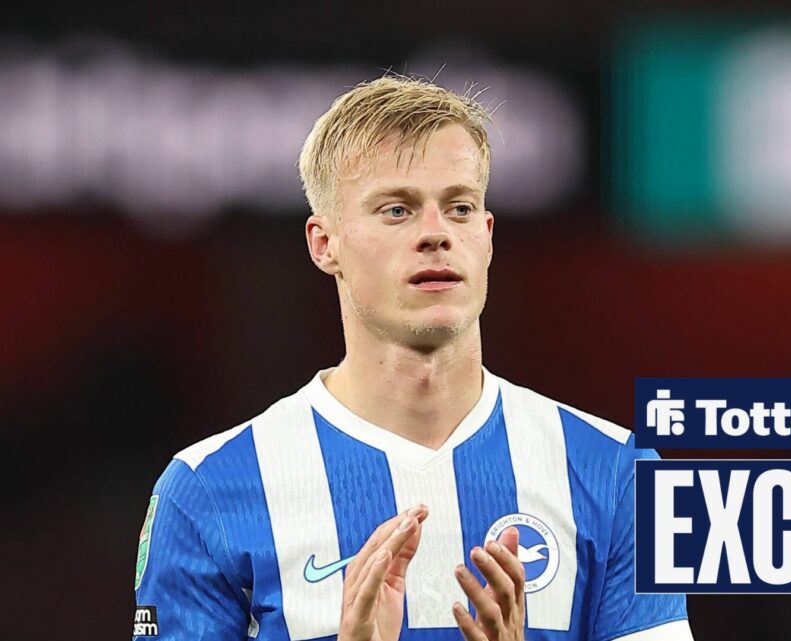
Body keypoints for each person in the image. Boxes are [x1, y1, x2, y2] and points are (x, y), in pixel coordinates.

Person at [132, 75, 692, 641]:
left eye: (460, 208)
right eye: (397, 210)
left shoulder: (618, 472)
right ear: (324, 244)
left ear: (488, 235)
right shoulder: (207, 490)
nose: (436, 234)